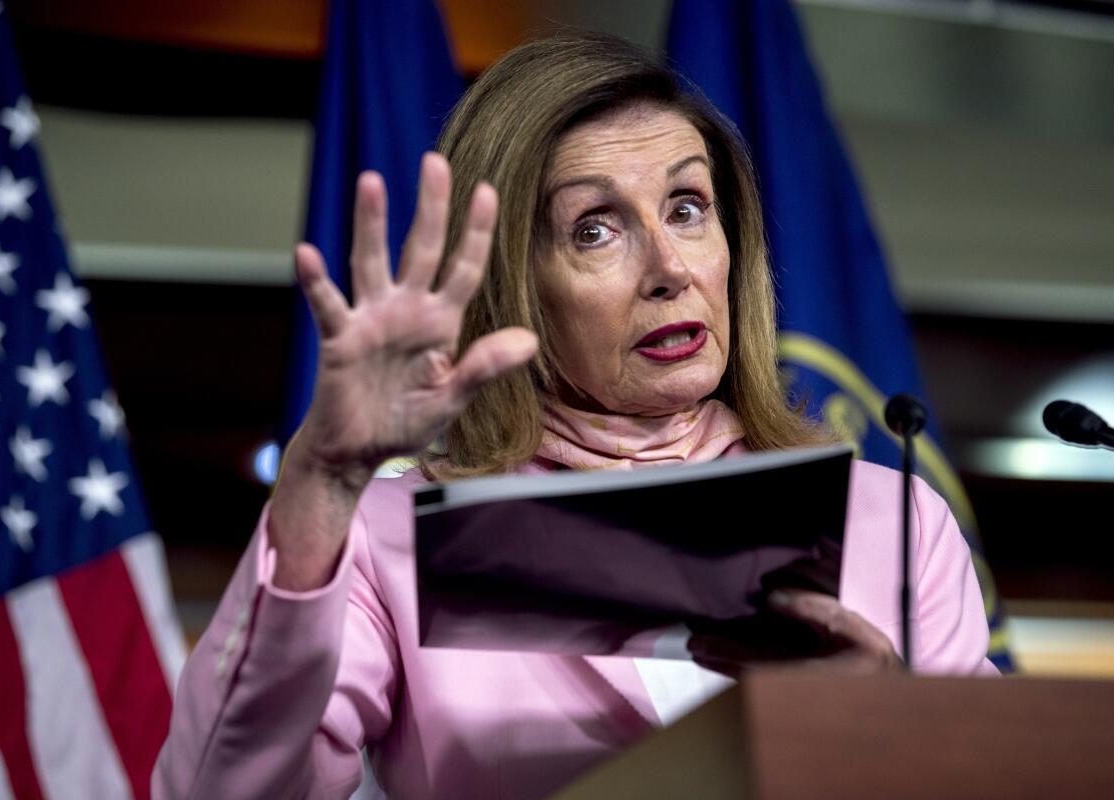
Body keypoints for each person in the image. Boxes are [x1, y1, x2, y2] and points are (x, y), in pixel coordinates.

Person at [153, 32, 995, 800]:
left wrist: (883, 720)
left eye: (688, 209)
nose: (669, 268)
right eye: (595, 229)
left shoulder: (897, 522)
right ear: (512, 285)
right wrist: (321, 483)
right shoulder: (390, 539)